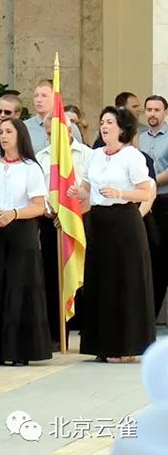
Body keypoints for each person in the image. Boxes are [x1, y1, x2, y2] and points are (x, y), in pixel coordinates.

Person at [71, 107, 157, 362]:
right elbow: (87, 187)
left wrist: (120, 193)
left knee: (124, 281)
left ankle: (125, 345)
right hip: (99, 222)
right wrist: (77, 192)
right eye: (102, 121)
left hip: (124, 222)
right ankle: (101, 344)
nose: (105, 125)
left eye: (110, 122)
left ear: (122, 128)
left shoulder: (132, 156)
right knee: (100, 281)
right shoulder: (95, 156)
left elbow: (145, 192)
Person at [0, 118, 51, 366]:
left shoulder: (30, 168)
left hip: (20, 230)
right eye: (1, 132)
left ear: (20, 135)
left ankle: (19, 350)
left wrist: (13, 214)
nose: (4, 136)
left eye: (9, 132)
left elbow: (38, 206)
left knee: (19, 288)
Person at [35, 114, 93, 345]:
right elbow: (39, 189)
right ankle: (56, 334)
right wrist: (50, 211)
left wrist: (73, 214)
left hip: (80, 221)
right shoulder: (40, 157)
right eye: (49, 134)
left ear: (69, 131)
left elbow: (90, 190)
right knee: (51, 276)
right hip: (51, 222)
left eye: (57, 133)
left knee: (80, 274)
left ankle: (86, 330)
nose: (52, 138)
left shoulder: (88, 155)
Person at [139, 95, 168, 318]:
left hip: (164, 201)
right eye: (149, 109)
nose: (152, 114)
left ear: (165, 113)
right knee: (150, 256)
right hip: (145, 203)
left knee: (163, 255)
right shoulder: (140, 138)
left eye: (156, 110)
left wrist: (150, 183)